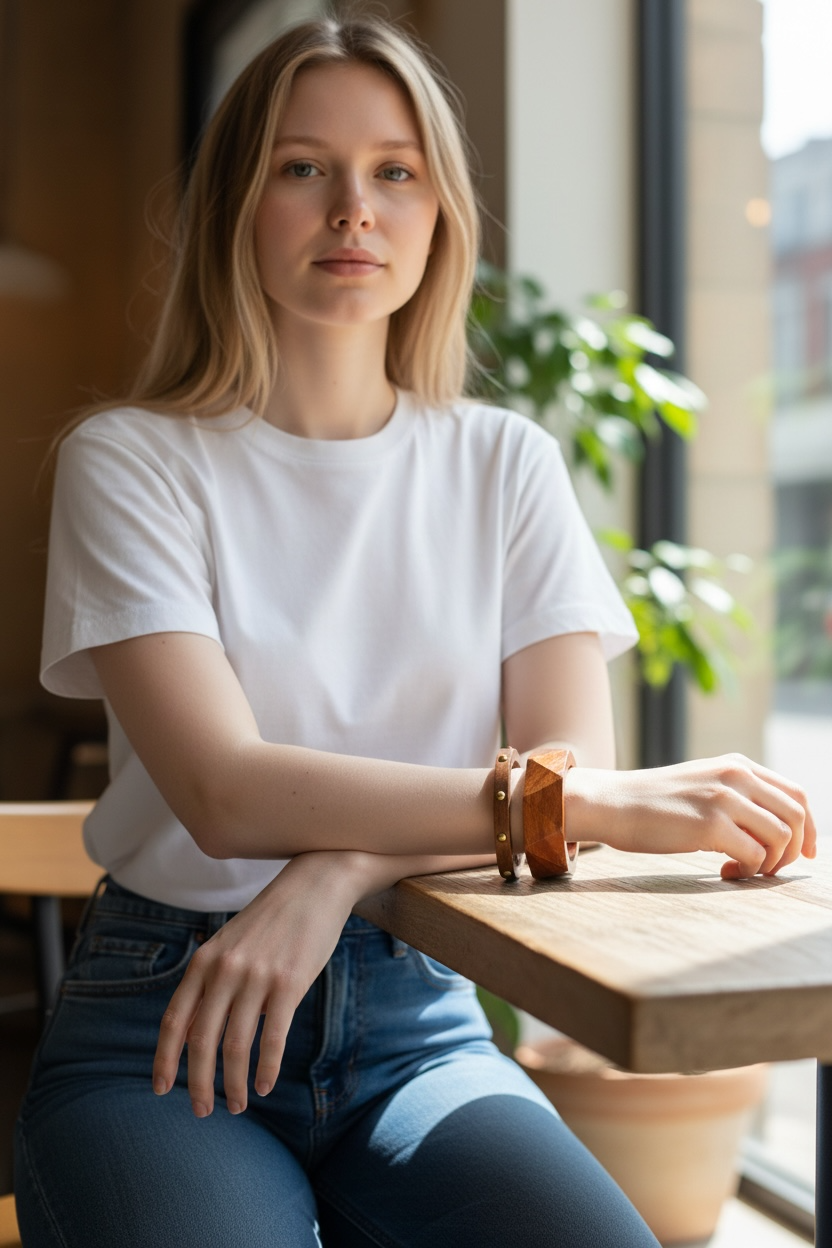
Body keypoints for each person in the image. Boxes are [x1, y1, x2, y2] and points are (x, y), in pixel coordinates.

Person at [14, 12, 814, 1248]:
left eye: (395, 170)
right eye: (302, 168)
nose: (354, 208)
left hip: (417, 1017)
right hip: (167, 1018)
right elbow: (229, 794)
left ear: (440, 212)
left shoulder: (505, 463)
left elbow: (561, 756)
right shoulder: (131, 461)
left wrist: (332, 875)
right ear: (239, 202)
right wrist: (593, 809)